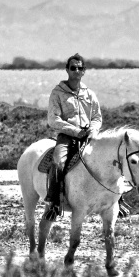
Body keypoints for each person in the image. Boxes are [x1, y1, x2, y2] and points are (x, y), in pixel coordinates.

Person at [42, 53, 103, 221]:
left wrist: (93, 130)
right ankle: (54, 202)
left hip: (89, 136)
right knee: (58, 163)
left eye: (80, 68)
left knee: (111, 159)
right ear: (67, 70)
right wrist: (75, 131)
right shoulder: (57, 93)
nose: (77, 70)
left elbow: (97, 117)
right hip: (67, 137)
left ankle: (117, 199)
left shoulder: (89, 94)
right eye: (73, 68)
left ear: (84, 71)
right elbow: (53, 119)